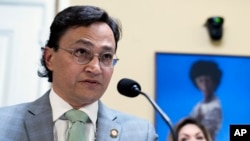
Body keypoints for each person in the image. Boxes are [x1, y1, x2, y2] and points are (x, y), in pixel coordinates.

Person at [0, 5, 158, 141]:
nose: (95, 68)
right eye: (81, 52)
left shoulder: (140, 133)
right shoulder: (4, 124)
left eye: (107, 56)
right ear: (49, 58)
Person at [189, 59, 222, 141]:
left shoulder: (215, 108)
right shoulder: (198, 105)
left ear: (214, 82)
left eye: (207, 80)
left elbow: (206, 133)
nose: (204, 85)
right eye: (200, 81)